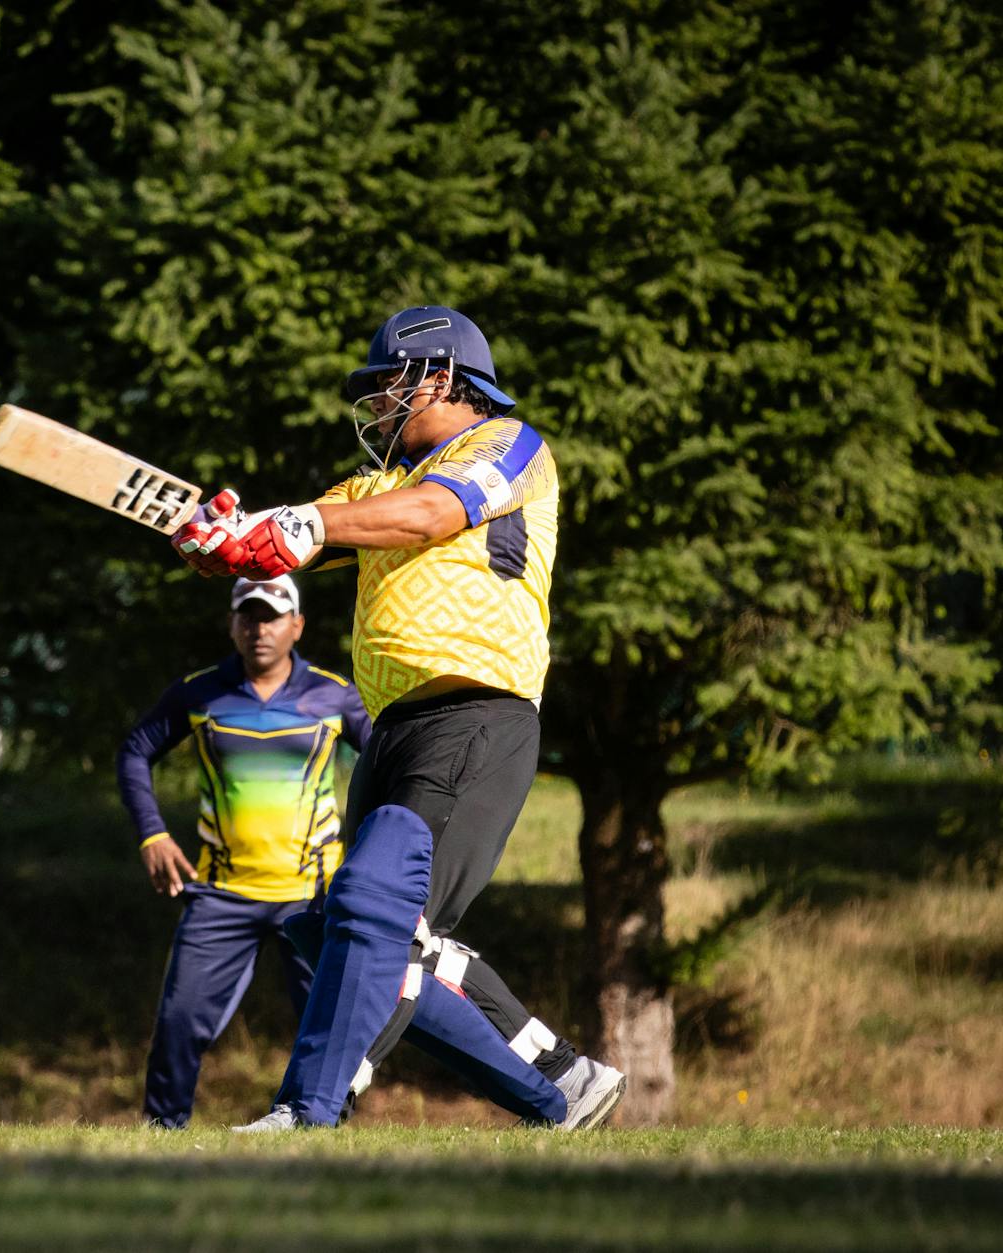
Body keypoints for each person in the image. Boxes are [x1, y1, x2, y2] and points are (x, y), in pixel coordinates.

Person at [171, 305, 627, 1131]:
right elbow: (302, 535)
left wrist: (300, 523)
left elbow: (434, 515)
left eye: (389, 383)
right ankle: (559, 1088)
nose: (378, 402)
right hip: (394, 733)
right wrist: (227, 538)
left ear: (442, 377)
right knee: (345, 928)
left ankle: (308, 1111)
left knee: (383, 913)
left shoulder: (508, 446)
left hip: (477, 713)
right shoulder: (372, 487)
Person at [116, 575, 371, 1129]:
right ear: (232, 624)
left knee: (329, 1034)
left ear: (297, 625)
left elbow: (387, 767)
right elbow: (135, 751)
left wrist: (368, 859)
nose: (261, 629)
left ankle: (324, 1134)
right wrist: (152, 834)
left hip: (314, 897)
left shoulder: (334, 695)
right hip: (220, 895)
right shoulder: (199, 693)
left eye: (273, 616)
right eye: (249, 616)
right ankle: (161, 1137)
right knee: (179, 1022)